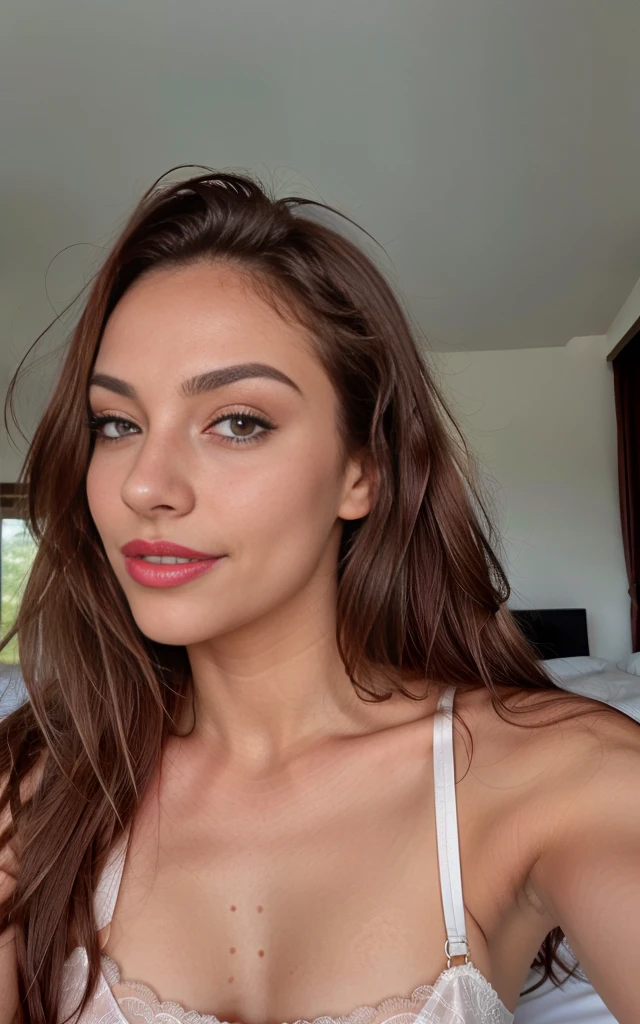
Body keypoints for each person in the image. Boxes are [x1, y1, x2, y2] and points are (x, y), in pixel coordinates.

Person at [0, 166, 638, 1024]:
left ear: (361, 470)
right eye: (117, 424)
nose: (146, 485)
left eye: (238, 421)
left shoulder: (561, 777)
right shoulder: (38, 792)